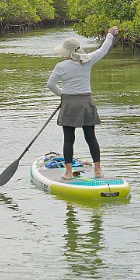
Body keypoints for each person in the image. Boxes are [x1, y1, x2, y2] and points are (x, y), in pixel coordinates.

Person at [47, 27, 119, 180]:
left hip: (69, 104)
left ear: (67, 53)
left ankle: (68, 173)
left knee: (68, 139)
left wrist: (63, 95)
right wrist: (110, 34)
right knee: (91, 137)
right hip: (86, 102)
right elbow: (104, 48)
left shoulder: (60, 66)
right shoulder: (89, 60)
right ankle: (98, 170)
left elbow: (51, 84)